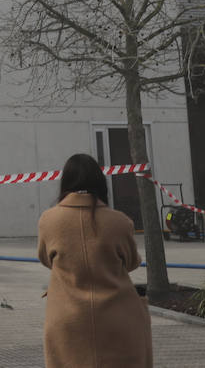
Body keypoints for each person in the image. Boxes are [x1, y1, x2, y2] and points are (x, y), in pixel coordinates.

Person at [37, 153, 152, 368]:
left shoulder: (48, 220)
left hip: (66, 319)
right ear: (100, 183)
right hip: (119, 318)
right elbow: (132, 262)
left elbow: (45, 259)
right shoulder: (120, 221)